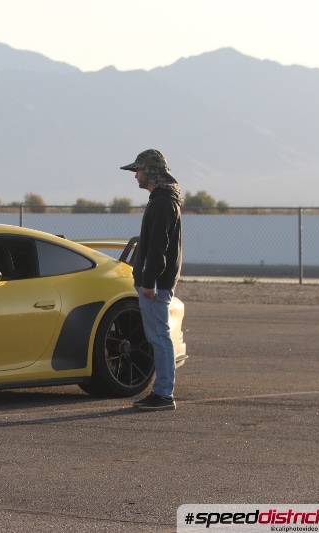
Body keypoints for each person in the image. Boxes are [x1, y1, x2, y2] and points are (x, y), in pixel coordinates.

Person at [120, 149, 183, 411]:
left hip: (155, 285)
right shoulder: (161, 201)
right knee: (157, 336)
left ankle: (164, 394)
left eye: (139, 170)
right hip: (155, 282)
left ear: (150, 172)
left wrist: (149, 281)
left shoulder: (162, 203)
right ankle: (161, 391)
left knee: (159, 337)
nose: (136, 175)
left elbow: (158, 247)